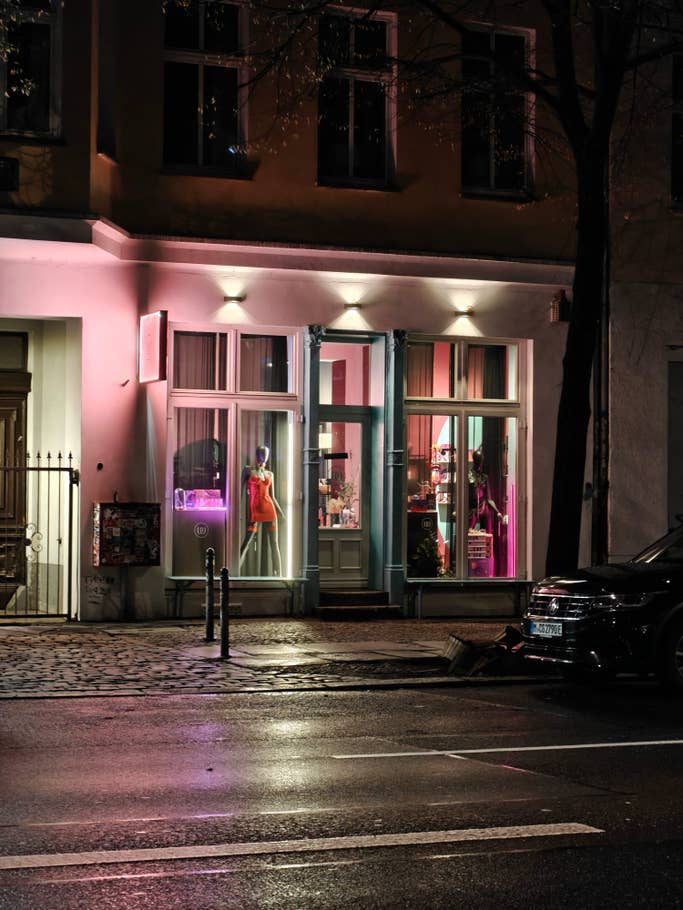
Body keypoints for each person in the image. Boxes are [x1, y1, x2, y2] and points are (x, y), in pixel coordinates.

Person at [239, 444, 284, 575]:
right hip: (255, 511)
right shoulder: (248, 471)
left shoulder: (270, 474)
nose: (264, 456)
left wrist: (281, 514)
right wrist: (237, 510)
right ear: (256, 454)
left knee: (274, 544)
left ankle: (279, 575)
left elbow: (273, 496)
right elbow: (240, 493)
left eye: (266, 454)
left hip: (270, 510)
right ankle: (234, 573)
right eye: (262, 453)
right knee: (246, 542)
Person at [468, 448, 504, 532]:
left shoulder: (484, 477)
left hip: (483, 507)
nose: (479, 464)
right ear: (474, 461)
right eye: (478, 461)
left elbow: (489, 498)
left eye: (480, 461)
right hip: (472, 509)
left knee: (487, 530)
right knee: (469, 533)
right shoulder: (468, 476)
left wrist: (497, 512)